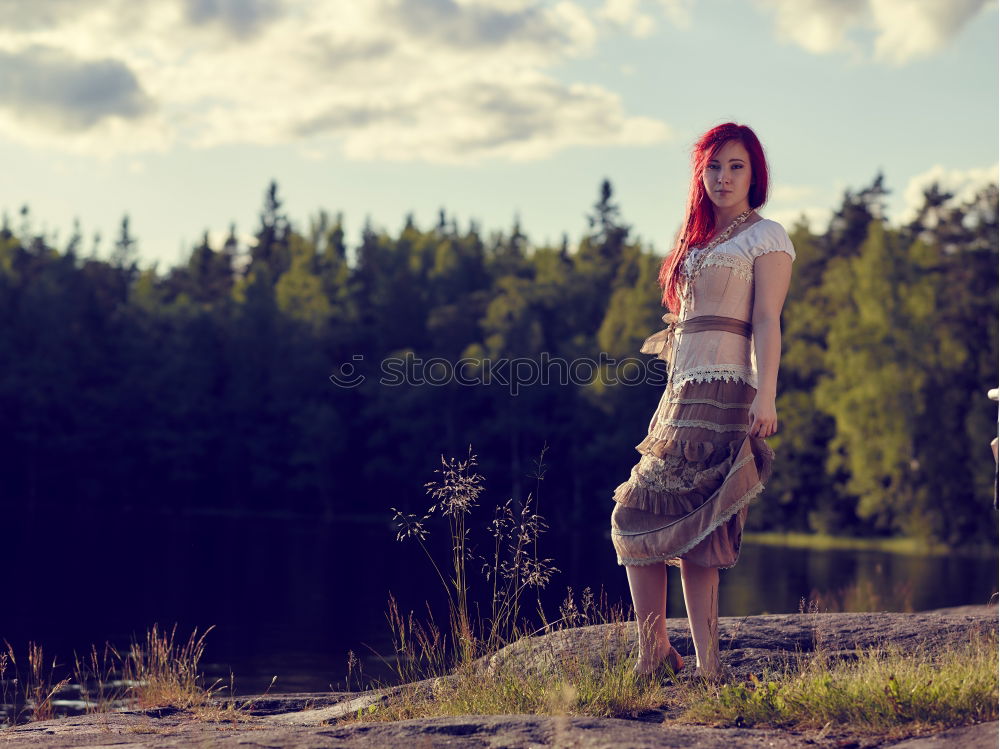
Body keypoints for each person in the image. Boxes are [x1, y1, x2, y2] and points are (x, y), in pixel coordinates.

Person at [610, 122, 795, 682]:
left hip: (729, 390)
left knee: (701, 532)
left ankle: (710, 668)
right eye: (714, 166)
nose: (723, 177)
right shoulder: (695, 240)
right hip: (680, 395)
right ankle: (655, 652)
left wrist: (767, 394)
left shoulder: (766, 237)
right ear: (702, 173)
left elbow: (766, 320)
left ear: (754, 173)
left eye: (736, 166)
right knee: (637, 514)